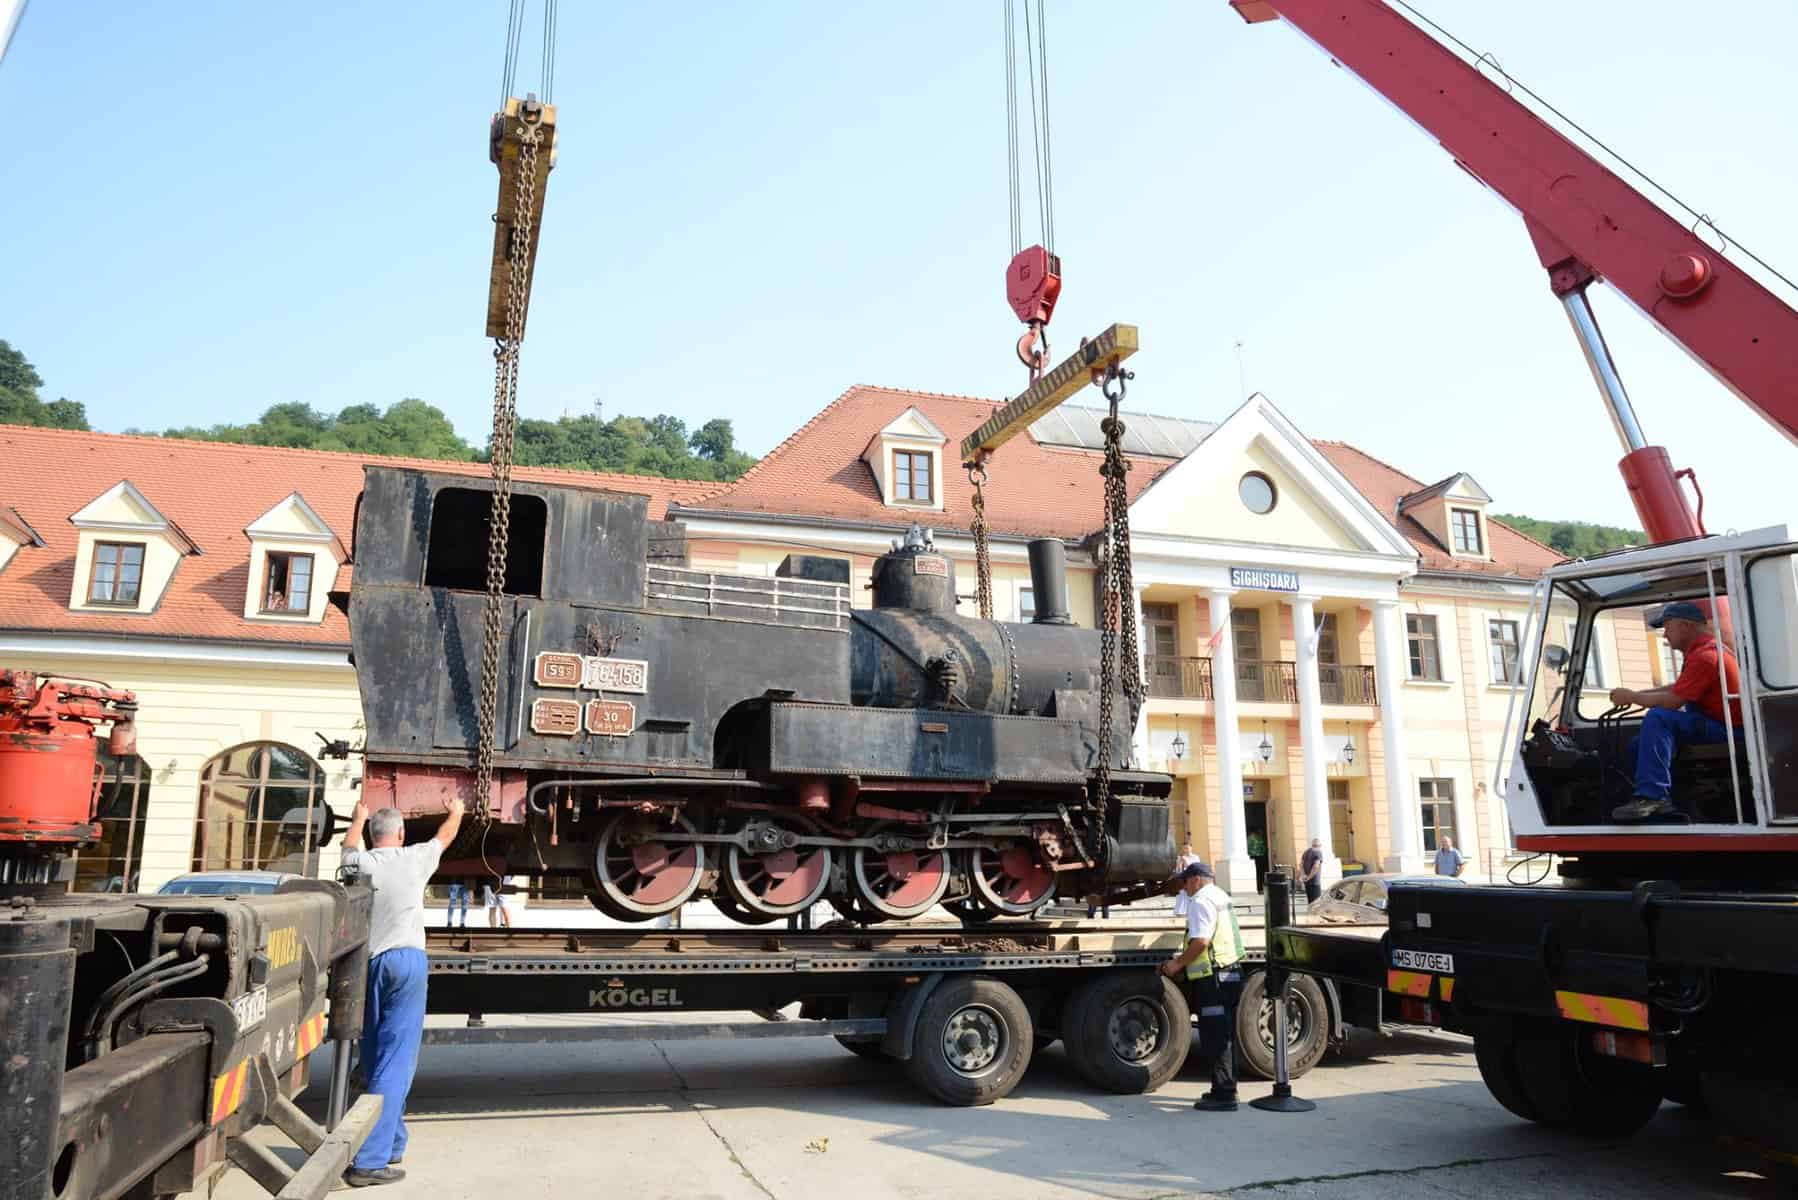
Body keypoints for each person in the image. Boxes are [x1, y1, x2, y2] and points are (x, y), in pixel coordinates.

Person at [339, 795, 465, 1188]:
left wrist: (357, 820)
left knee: (376, 1057)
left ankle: (392, 1142)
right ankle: (370, 1161)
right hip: (406, 963)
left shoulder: (361, 863)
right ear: (402, 833)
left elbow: (346, 850)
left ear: (373, 836)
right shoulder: (415, 859)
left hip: (370, 966)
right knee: (396, 1063)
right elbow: (444, 837)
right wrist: (457, 811)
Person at [1609, 601, 1743, 822]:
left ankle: (1653, 796)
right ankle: (1668, 806)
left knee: (1659, 717)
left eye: (1667, 628)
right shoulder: (1705, 651)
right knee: (1638, 744)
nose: (1664, 636)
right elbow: (1678, 688)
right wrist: (1636, 693)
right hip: (1715, 724)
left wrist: (1632, 698)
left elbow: (1672, 702)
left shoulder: (1705, 657)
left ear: (1685, 625)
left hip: (1728, 730)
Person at [1159, 861, 1245, 1112]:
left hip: (1214, 979)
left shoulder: (1200, 901)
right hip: (1230, 974)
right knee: (1225, 1035)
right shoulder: (1220, 896)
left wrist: (1176, 964)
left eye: (1185, 882)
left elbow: (1201, 942)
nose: (1184, 888)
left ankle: (1224, 1095)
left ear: (1197, 879)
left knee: (1216, 1037)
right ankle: (1225, 1089)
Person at [1299, 838, 1324, 905]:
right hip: (1314, 882)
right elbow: (1316, 866)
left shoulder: (1306, 852)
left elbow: (1301, 864)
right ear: (1320, 845)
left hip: (1307, 883)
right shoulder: (1318, 852)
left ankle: (1310, 915)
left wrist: (1303, 875)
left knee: (1310, 903)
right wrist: (1309, 877)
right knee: (1316, 904)